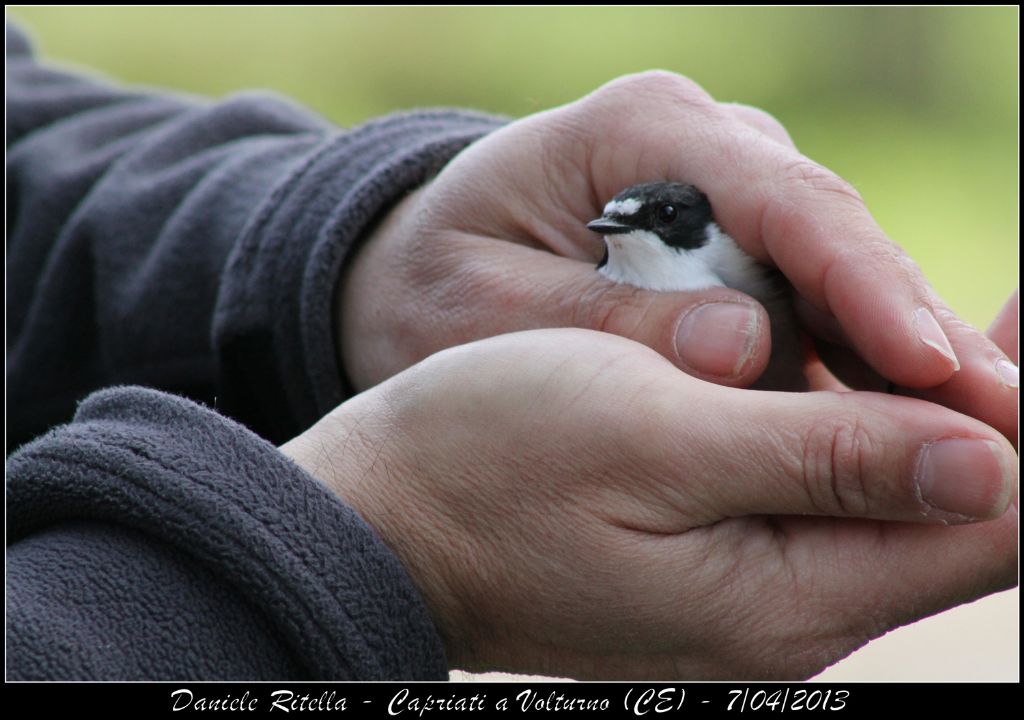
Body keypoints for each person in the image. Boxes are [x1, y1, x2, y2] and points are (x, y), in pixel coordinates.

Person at [6, 22, 1018, 680]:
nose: (618, 232)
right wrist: (376, 538)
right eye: (607, 227)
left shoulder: (732, 268)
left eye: (644, 220)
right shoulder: (630, 272)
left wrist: (346, 257)